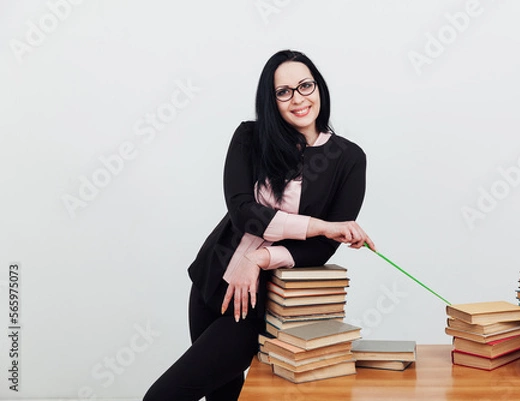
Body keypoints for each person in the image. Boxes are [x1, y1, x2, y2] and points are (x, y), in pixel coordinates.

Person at [143, 49, 375, 401]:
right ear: (271, 100)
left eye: (305, 86)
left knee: (164, 396)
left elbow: (321, 249)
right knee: (223, 397)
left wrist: (259, 259)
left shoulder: (349, 158)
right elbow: (242, 212)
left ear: (319, 88)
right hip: (211, 283)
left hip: (258, 303)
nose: (298, 99)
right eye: (284, 92)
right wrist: (320, 224)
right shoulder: (250, 138)